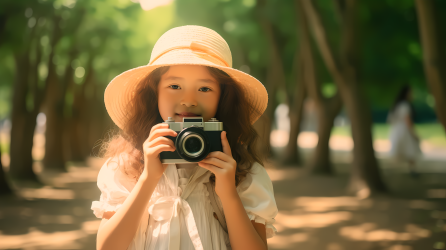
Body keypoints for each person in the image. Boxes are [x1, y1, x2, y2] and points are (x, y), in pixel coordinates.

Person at [91, 25, 278, 250]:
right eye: (175, 85)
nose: (188, 100)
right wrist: (148, 179)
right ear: (154, 92)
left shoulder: (243, 171)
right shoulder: (126, 166)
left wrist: (228, 193)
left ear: (223, 97)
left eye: (205, 89)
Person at [387, 85, 422, 177]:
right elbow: (408, 121)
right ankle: (412, 170)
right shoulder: (405, 105)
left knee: (401, 151)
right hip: (404, 131)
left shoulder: (397, 105)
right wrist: (414, 133)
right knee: (410, 150)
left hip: (397, 130)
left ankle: (410, 170)